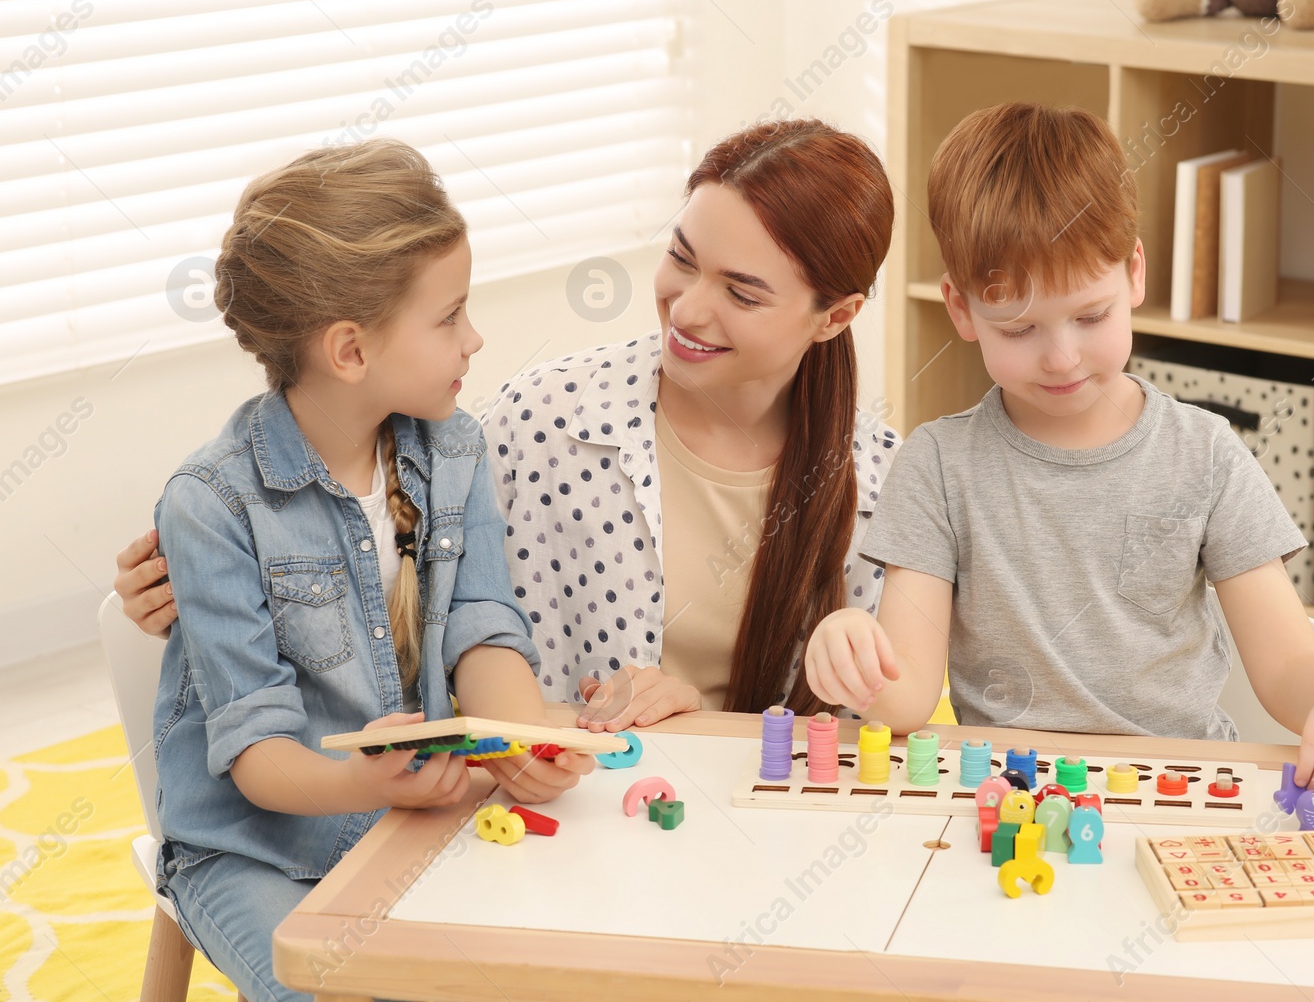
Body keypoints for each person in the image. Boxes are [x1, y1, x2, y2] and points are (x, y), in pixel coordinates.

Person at [116, 118, 901, 733]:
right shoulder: (544, 420)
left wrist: (696, 719)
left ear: (834, 316)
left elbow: (866, 739)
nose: (689, 307)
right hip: (553, 817)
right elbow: (387, 572)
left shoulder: (886, 481)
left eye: (743, 291)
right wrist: (198, 579)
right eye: (683, 258)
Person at [803, 102, 1314, 795]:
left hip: (1178, 789)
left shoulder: (1206, 454)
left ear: (1134, 272)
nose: (1061, 356)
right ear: (961, 309)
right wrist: (848, 647)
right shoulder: (936, 465)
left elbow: (1288, 661)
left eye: (1091, 315)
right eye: (1018, 329)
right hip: (1012, 800)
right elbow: (902, 701)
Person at [148, 139, 591, 1002]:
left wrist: (517, 738)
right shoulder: (212, 503)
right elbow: (260, 758)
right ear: (350, 349)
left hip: (418, 816)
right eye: (449, 317)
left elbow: (484, 626)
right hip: (257, 849)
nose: (474, 339)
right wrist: (370, 784)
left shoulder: (454, 447)